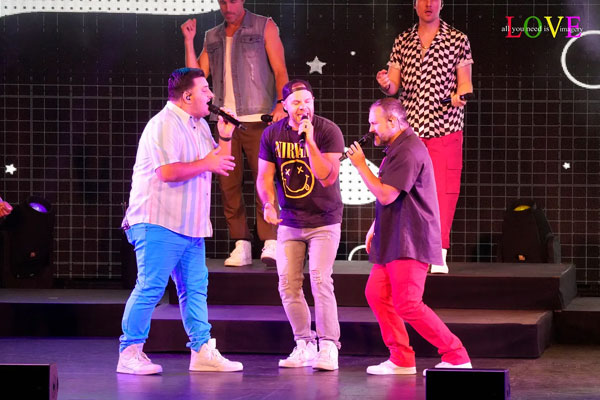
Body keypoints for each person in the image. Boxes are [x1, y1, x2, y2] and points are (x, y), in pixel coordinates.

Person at [118, 68, 243, 375]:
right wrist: (207, 162)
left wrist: (225, 136)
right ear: (187, 96)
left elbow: (220, 163)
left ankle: (201, 351)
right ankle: (130, 352)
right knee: (150, 287)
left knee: (195, 290)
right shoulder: (163, 124)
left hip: (191, 224)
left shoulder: (199, 126)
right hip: (158, 220)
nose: (211, 95)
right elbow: (167, 172)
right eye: (205, 90)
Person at [347, 98, 471, 375]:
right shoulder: (398, 148)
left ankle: (457, 356)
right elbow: (395, 193)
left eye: (374, 123)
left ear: (393, 121)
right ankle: (401, 358)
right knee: (377, 293)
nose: (371, 129)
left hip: (410, 239)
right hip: (395, 236)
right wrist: (376, 224)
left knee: (408, 303)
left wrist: (360, 165)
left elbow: (386, 194)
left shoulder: (409, 150)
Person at [181, 0, 289, 267]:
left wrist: (281, 104)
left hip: (259, 117)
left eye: (232, 1)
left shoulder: (264, 26)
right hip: (225, 121)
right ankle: (241, 243)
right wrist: (189, 41)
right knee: (229, 184)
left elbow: (280, 70)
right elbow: (195, 76)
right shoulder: (212, 36)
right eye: (222, 2)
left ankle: (270, 240)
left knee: (265, 179)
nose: (227, 6)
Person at [376, 0, 473, 273]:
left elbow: (465, 82)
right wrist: (386, 83)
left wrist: (461, 95)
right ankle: (406, 251)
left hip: (445, 127)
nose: (428, 4)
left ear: (442, 4)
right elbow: (393, 86)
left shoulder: (457, 39)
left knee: (443, 191)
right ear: (414, 4)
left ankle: (438, 253)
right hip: (411, 132)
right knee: (403, 190)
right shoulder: (403, 40)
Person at [256, 79, 344, 371]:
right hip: (290, 221)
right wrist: (268, 204)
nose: (302, 107)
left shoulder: (328, 131)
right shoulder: (272, 134)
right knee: (287, 283)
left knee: (320, 279)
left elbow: (326, 177)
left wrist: (310, 142)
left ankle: (328, 345)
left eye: (307, 101)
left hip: (324, 220)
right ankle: (304, 343)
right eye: (296, 102)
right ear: (285, 106)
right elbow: (264, 178)